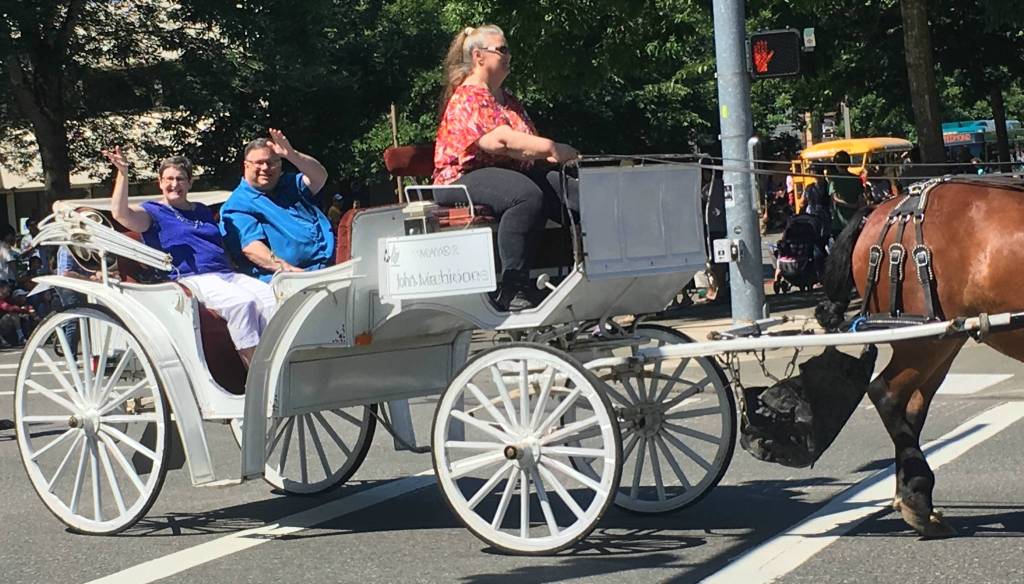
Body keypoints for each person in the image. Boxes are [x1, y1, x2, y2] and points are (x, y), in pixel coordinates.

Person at [433, 24, 580, 311]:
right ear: (478, 56)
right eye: (502, 50)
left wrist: (553, 158)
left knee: (568, 190)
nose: (509, 55)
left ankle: (586, 269)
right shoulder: (469, 96)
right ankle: (513, 287)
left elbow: (526, 145)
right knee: (525, 195)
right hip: (460, 179)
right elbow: (500, 141)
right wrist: (552, 148)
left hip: (507, 173)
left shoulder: (508, 100)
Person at [104, 147, 276, 367]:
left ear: (189, 183)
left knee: (272, 300)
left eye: (180, 179)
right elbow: (121, 214)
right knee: (242, 303)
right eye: (169, 179)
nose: (174, 184)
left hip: (227, 274)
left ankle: (278, 364)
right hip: (191, 278)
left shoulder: (202, 210)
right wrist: (123, 173)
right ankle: (256, 372)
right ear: (160, 182)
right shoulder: (153, 212)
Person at [220, 129, 333, 282]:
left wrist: (292, 155)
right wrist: (289, 270)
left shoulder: (290, 184)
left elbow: (320, 176)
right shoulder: (238, 204)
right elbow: (252, 248)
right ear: (246, 166)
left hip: (329, 265)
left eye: (271, 163)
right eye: (259, 163)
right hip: (286, 279)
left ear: (280, 166)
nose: (265, 168)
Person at [828, 150, 866, 235]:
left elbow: (834, 199)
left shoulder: (834, 180)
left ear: (836, 164)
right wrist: (854, 206)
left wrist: (848, 205)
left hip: (839, 224)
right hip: (854, 222)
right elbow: (861, 200)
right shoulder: (857, 179)